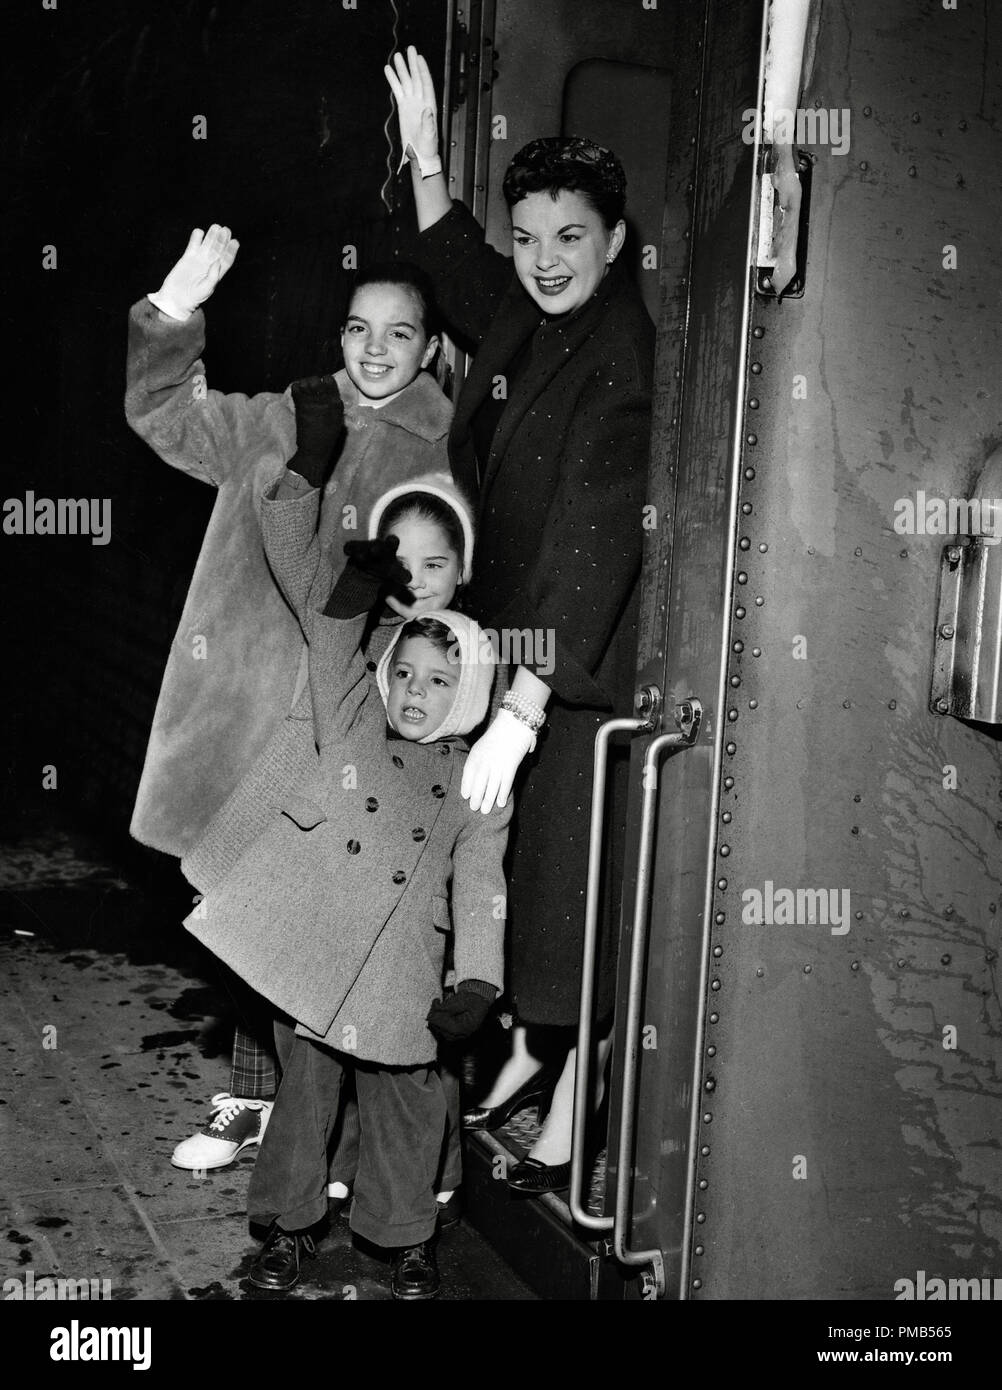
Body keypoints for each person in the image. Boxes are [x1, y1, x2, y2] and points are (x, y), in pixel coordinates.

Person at [124, 230, 456, 1165]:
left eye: (400, 333)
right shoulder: (283, 416)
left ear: (431, 347)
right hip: (238, 718)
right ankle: (250, 1099)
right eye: (358, 329)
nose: (376, 349)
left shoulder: (440, 453)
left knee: (325, 929)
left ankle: (326, 1131)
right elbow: (161, 413)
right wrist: (174, 312)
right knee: (238, 912)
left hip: (342, 733)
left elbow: (429, 609)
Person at [384, 48, 655, 1191]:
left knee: (565, 915)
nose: (545, 262)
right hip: (506, 661)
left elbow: (596, 545)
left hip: (569, 678)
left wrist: (527, 708)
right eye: (533, 235)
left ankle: (574, 1120)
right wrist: (430, 158)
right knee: (516, 900)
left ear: (616, 244)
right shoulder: (537, 317)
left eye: (570, 239)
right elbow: (467, 263)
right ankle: (529, 1076)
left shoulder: (622, 358)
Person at [183, 424, 512, 1298]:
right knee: (303, 1100)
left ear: (471, 693)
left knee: (406, 1108)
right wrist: (359, 584)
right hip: (320, 946)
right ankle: (287, 1231)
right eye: (405, 676)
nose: (414, 694)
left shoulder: (478, 776)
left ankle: (404, 1239)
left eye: (439, 684)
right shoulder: (354, 714)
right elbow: (333, 646)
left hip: (404, 966)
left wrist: (477, 979)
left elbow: (482, 881)